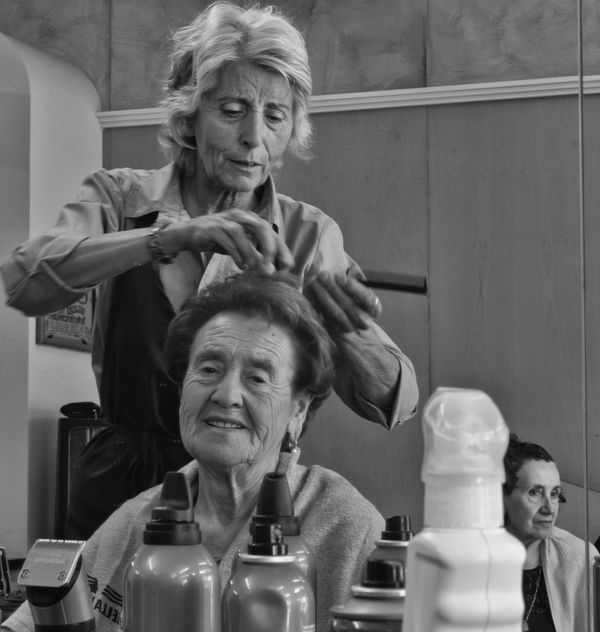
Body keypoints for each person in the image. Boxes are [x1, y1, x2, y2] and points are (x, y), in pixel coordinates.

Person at [0, 1, 418, 540]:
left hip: (248, 489)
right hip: (120, 481)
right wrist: (170, 237)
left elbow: (395, 401)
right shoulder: (120, 197)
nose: (254, 137)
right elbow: (26, 282)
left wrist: (344, 328)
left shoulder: (310, 235)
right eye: (233, 110)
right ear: (188, 116)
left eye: (275, 116)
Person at [0, 272, 385, 632]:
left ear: (298, 412)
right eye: (207, 369)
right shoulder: (139, 518)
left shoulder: (347, 527)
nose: (225, 394)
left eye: (257, 377)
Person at [503, 433, 594, 632]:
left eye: (554, 494)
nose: (549, 507)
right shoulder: (467, 560)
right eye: (535, 492)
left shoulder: (581, 557)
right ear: (501, 497)